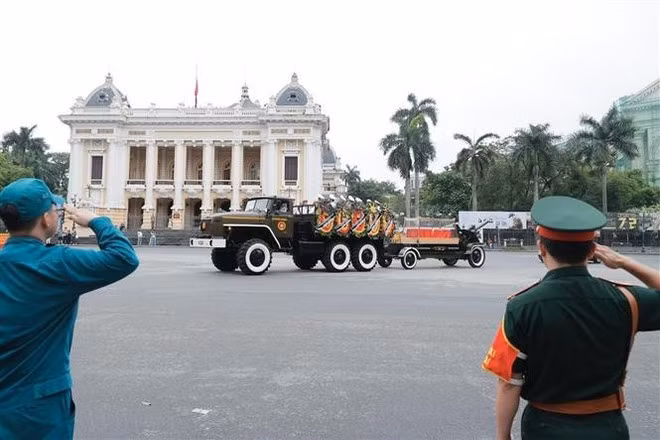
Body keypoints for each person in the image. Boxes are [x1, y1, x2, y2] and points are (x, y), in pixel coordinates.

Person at [482, 196, 660, 440]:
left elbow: (508, 384)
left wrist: (503, 437)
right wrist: (624, 262)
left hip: (545, 429)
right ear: (592, 250)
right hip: (608, 429)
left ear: (541, 247)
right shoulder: (627, 301)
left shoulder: (522, 307)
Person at [0, 178, 139, 439]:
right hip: (39, 406)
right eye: (55, 209)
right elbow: (123, 258)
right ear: (45, 219)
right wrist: (97, 221)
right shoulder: (58, 264)